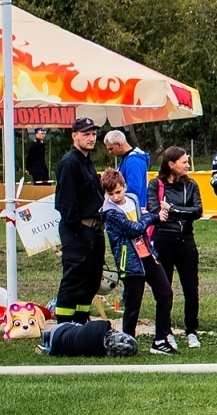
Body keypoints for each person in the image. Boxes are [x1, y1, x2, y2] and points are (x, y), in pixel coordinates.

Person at [101, 169, 175, 354]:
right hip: (130, 261)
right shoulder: (110, 212)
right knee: (133, 304)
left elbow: (141, 221)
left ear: (124, 187)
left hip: (148, 254)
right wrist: (153, 217)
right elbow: (134, 228)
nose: (116, 197)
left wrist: (151, 217)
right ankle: (127, 341)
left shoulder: (132, 199)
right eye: (111, 194)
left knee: (165, 294)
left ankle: (160, 340)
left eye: (118, 192)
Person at [53, 117, 106, 325]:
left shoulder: (86, 160)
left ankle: (81, 322)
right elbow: (66, 204)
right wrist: (80, 233)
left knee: (91, 281)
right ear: (74, 135)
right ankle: (63, 328)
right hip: (78, 230)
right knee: (73, 280)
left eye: (93, 134)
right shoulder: (69, 162)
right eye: (86, 134)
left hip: (95, 230)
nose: (91, 138)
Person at [150, 146, 204, 348]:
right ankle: (166, 332)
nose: (187, 165)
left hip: (186, 240)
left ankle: (191, 331)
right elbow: (155, 210)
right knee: (165, 290)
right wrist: (168, 212)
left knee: (191, 288)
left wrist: (173, 209)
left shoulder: (191, 185)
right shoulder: (155, 184)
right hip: (163, 240)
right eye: (183, 161)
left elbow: (197, 211)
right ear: (171, 164)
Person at [102, 130, 150, 209]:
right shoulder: (128, 159)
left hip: (133, 209)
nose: (110, 152)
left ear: (119, 145)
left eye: (111, 148)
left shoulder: (133, 161)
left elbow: (134, 189)